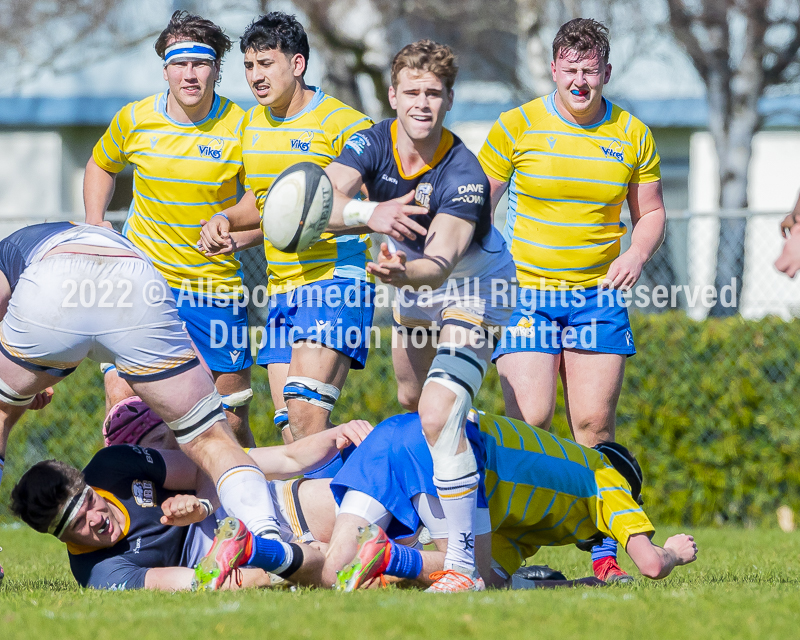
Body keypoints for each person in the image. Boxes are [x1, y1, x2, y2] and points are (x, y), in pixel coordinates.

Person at [320, 39, 516, 591]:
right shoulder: (368, 142)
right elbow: (320, 204)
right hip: (407, 281)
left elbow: (442, 259)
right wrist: (369, 211)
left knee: (438, 411)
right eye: (412, 92)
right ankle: (438, 525)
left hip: (471, 287)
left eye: (434, 93)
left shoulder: (465, 172)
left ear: (449, 99)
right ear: (393, 95)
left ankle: (462, 566)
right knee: (413, 404)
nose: (422, 104)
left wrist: (405, 274)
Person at [476, 18, 667, 581]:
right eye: (571, 70)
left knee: (591, 425)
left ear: (605, 72)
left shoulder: (633, 133)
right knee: (530, 424)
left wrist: (634, 256)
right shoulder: (517, 126)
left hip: (597, 298)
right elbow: (481, 202)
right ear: (554, 69)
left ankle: (604, 551)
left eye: (591, 71)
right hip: (526, 295)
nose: (580, 81)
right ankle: (512, 552)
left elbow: (650, 213)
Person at [0, 222, 284, 544]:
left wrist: (20, 387)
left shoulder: (9, 252)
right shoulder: (95, 239)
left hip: (56, 285)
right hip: (132, 280)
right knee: (211, 439)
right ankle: (268, 541)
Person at [199, 13, 374, 451]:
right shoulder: (250, 127)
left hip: (336, 281)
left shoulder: (345, 124)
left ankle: (367, 501)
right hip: (281, 290)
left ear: (297, 64)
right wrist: (229, 223)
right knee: (291, 433)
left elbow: (372, 206)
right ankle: (310, 520)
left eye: (266, 64)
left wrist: (322, 217)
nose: (256, 76)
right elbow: (266, 206)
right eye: (249, 66)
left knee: (306, 415)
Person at [83, 10, 255, 447]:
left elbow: (262, 200)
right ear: (166, 70)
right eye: (181, 63)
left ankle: (242, 510)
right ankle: (136, 511)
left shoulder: (244, 127)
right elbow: (101, 165)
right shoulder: (135, 119)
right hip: (143, 283)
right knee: (125, 404)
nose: (190, 74)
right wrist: (95, 221)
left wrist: (235, 229)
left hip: (214, 288)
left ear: (217, 69)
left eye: (201, 63)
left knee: (228, 414)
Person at [324, 410, 698, 590]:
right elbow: (649, 564)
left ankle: (279, 557)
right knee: (463, 577)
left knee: (335, 570)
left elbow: (498, 581)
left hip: (394, 430)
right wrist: (674, 553)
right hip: (455, 450)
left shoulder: (533, 522)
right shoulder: (607, 478)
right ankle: (388, 555)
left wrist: (575, 585)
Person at [9, 420, 370, 591]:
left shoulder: (111, 466)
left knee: (365, 502)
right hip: (232, 557)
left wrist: (203, 508)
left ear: (88, 484)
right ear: (59, 538)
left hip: (252, 507)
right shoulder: (100, 574)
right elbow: (201, 582)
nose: (97, 519)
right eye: (78, 524)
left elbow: (210, 464)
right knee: (351, 566)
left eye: (88, 501)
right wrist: (283, 564)